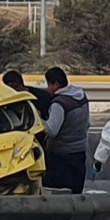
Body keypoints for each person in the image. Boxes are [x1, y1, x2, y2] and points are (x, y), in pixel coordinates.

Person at [42, 66, 90, 194]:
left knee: (62, 195)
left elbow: (52, 130)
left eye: (49, 85)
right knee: (76, 192)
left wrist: (38, 120)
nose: (48, 89)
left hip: (61, 156)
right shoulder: (81, 96)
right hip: (80, 152)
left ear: (56, 84)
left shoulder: (59, 104)